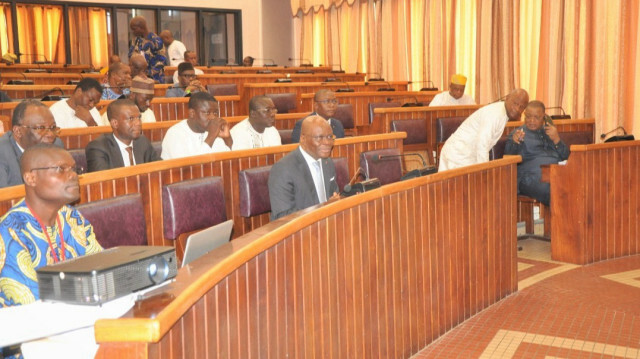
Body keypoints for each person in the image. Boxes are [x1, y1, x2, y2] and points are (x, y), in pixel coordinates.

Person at [0, 144, 103, 307]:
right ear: (31, 178)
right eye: (61, 169)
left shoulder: (72, 217)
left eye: (74, 169)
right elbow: (31, 306)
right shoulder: (11, 231)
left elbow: (102, 270)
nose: (73, 176)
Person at [438, 88, 529, 171]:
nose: (517, 109)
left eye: (521, 107)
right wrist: (485, 172)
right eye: (515, 103)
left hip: (466, 156)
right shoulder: (495, 114)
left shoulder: (502, 112)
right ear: (508, 98)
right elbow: (482, 145)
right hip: (457, 155)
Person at [268, 115, 339, 220]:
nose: (327, 142)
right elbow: (283, 216)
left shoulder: (328, 163)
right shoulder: (283, 169)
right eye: (319, 137)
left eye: (329, 137)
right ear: (303, 139)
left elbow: (333, 196)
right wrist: (323, 208)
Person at [504, 101, 569, 206]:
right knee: (554, 189)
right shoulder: (518, 134)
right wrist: (514, 143)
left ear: (544, 117)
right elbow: (507, 158)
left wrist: (557, 140)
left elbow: (566, 157)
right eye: (528, 117)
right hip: (530, 178)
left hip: (555, 173)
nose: (531, 121)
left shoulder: (550, 132)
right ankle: (560, 221)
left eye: (536, 117)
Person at [0, 100, 62, 188]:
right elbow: (4, 199)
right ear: (18, 131)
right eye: (41, 128)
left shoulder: (56, 145)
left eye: (53, 127)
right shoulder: (2, 153)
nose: (51, 134)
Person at [86, 99, 160, 172]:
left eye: (139, 118)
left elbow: (160, 169)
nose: (138, 123)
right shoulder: (99, 148)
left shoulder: (142, 142)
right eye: (131, 118)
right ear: (115, 123)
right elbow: (102, 182)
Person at [161, 92, 232, 159]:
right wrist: (211, 137)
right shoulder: (175, 133)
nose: (213, 117)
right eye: (208, 113)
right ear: (192, 113)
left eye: (215, 113)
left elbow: (225, 163)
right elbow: (189, 169)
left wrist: (227, 139)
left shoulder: (213, 130)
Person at [128, 16, 166, 83]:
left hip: (154, 79)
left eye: (134, 29)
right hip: (137, 78)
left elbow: (161, 61)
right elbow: (130, 56)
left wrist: (147, 73)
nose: (133, 32)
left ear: (142, 28)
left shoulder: (156, 41)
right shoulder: (136, 40)